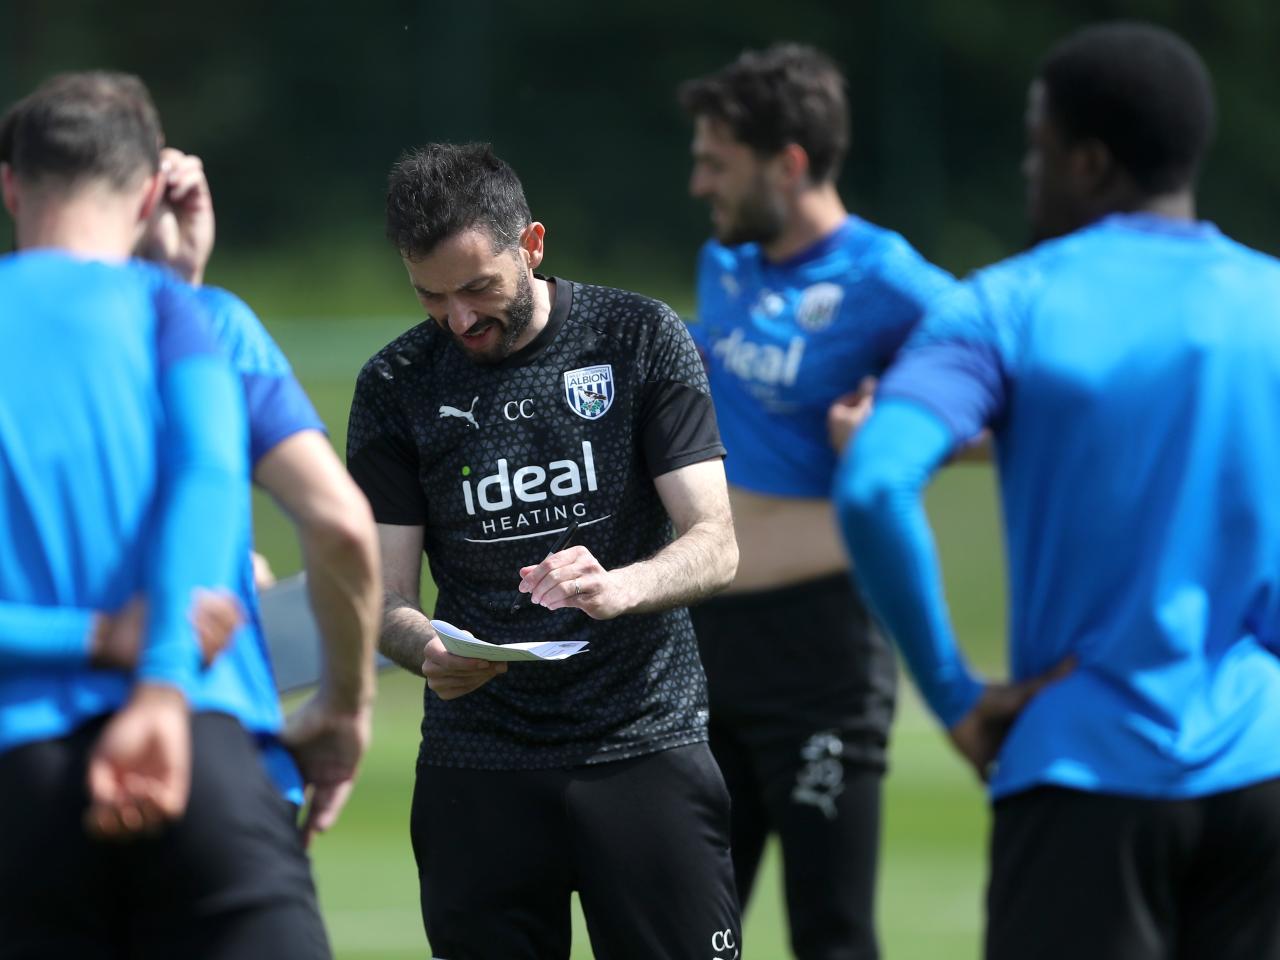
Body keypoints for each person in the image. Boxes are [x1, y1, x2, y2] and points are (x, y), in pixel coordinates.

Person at [836, 22, 1280, 960]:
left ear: (1088, 162)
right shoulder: (1268, 302)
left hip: (1082, 769)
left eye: (1037, 151)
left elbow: (876, 484)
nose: (1026, 174)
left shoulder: (1004, 305)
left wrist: (955, 693)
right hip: (1263, 772)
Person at [346, 141, 741, 960]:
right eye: (431, 296)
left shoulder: (637, 337)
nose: (458, 318)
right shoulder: (394, 386)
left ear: (531, 245)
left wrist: (622, 587)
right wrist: (425, 649)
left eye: (478, 287)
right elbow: (378, 600)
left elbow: (716, 544)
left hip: (642, 742)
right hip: (476, 761)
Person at [0, 72, 362, 959]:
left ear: (9, 185)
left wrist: (94, 640)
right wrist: (165, 675)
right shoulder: (181, 311)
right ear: (154, 190)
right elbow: (332, 521)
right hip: (199, 753)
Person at [678, 44, 955, 959]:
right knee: (685, 932)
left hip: (821, 651)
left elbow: (1019, 405)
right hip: (704, 641)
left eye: (717, 161)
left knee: (830, 935)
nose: (697, 182)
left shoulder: (890, 279)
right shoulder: (725, 263)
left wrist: (899, 431)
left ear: (788, 163)